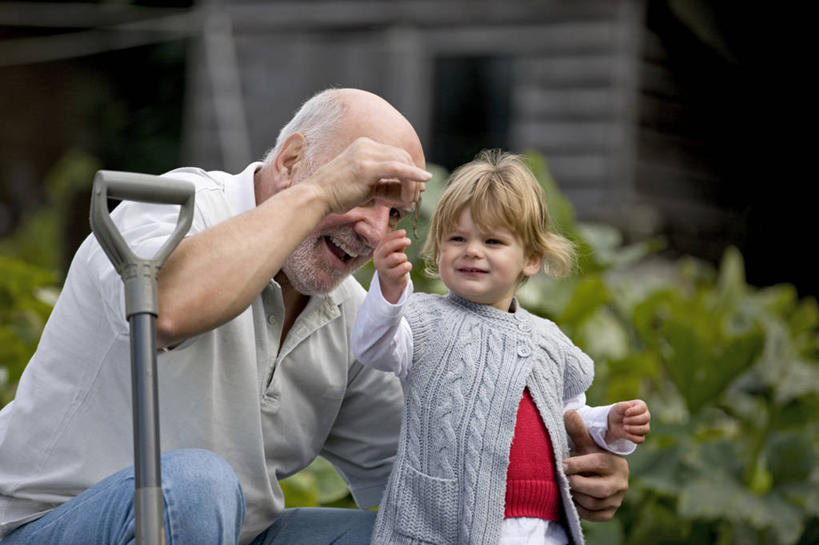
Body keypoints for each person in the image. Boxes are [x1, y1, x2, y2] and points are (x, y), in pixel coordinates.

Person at [0, 89, 629, 545]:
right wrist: (324, 193)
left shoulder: (352, 314)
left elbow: (437, 469)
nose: (372, 229)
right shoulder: (171, 206)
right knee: (196, 487)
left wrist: (556, 479)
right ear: (294, 160)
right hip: (50, 526)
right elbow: (167, 309)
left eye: (395, 212)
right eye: (363, 191)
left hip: (241, 537)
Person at [351, 150, 650, 544]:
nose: (472, 250)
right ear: (439, 248)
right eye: (457, 238)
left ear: (531, 259)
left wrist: (609, 425)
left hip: (543, 527)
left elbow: (569, 414)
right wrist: (388, 292)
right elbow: (373, 347)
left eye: (492, 241)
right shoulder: (422, 319)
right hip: (444, 524)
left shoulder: (548, 340)